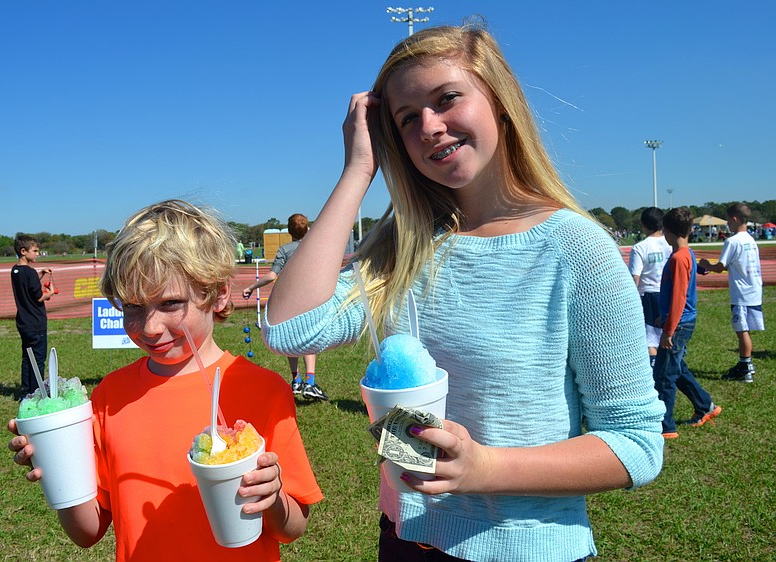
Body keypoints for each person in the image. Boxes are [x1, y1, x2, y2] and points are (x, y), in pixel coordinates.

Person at [261, 22, 665, 561]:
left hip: (531, 549)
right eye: (406, 119)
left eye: (446, 98)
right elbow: (291, 329)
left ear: (499, 102)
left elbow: (636, 446)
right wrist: (358, 169)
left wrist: (484, 469)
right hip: (407, 542)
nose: (429, 125)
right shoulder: (402, 249)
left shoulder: (575, 249)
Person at [8, 200, 323, 561]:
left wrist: (273, 496)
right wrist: (57, 468)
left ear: (218, 293)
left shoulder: (264, 390)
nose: (150, 327)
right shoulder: (110, 397)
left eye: (171, 303)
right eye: (132, 306)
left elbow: (293, 527)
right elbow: (87, 532)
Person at [653, 207, 721, 439]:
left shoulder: (679, 257)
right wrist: (665, 316)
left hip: (679, 324)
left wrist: (669, 329)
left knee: (664, 376)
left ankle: (666, 426)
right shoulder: (686, 254)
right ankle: (706, 406)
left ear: (665, 231)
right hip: (679, 320)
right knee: (677, 368)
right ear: (691, 230)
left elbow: (680, 296)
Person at [242, 214, 327, 401]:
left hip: (288, 301)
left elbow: (272, 276)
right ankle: (310, 382)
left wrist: (251, 287)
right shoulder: (314, 249)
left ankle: (295, 381)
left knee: (292, 340)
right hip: (310, 300)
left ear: (289, 231)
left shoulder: (284, 250)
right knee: (309, 340)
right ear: (307, 229)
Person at [698, 203, 765, 382]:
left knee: (741, 329)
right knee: (746, 328)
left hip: (742, 293)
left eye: (728, 220)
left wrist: (706, 266)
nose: (727, 223)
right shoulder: (751, 240)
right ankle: (746, 363)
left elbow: (720, 267)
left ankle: (745, 366)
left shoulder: (732, 241)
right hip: (754, 289)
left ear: (734, 219)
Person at [10, 235, 54, 398]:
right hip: (36, 322)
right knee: (38, 360)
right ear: (23, 251)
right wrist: (48, 293)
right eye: (34, 251)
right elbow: (38, 296)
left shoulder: (15, 270)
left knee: (27, 358)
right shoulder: (30, 272)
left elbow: (27, 286)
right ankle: (37, 393)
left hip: (23, 322)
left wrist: (40, 274)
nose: (37, 254)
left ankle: (25, 391)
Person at [628, 207, 672, 368]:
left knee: (650, 339)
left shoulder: (640, 247)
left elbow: (635, 277)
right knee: (667, 335)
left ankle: (654, 369)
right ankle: (666, 367)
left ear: (643, 225)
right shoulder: (670, 244)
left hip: (649, 295)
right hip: (669, 294)